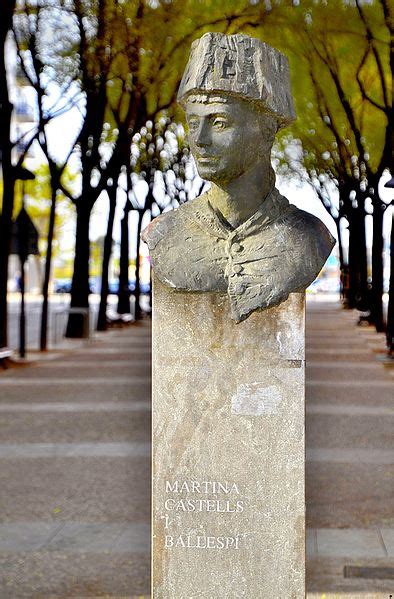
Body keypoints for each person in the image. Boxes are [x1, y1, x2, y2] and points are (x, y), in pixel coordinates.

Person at [142, 33, 335, 323]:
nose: (199, 140)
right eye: (193, 123)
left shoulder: (309, 237)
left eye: (219, 122)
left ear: (267, 129)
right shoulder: (164, 233)